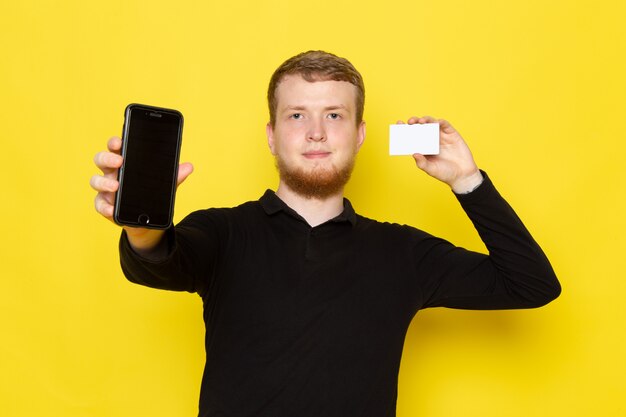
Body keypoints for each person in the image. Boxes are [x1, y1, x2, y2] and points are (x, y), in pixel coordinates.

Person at [90, 50, 561, 417]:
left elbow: (531, 284)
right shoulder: (223, 233)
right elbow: (158, 260)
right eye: (297, 115)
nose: (316, 132)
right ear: (272, 135)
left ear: (358, 134)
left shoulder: (402, 252)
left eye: (334, 115)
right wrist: (141, 226)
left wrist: (467, 181)